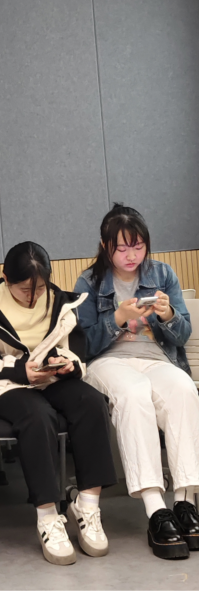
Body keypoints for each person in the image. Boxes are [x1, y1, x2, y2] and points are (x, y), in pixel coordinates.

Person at [0, 242, 117, 566]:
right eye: (24, 289)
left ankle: (87, 507)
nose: (33, 297)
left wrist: (66, 364)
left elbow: (75, 350)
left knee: (92, 402)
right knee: (37, 414)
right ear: (5, 278)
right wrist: (18, 370)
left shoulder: (59, 302)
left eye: (39, 289)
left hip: (46, 378)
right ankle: (47, 517)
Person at [74, 204, 199, 560]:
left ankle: (185, 503)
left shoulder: (162, 274)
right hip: (108, 362)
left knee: (183, 390)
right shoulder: (89, 282)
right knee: (133, 394)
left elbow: (182, 334)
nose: (131, 256)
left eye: (138, 246)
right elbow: (82, 346)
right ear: (105, 246)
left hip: (156, 359)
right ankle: (156, 510)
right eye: (122, 248)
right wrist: (117, 317)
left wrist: (168, 314)